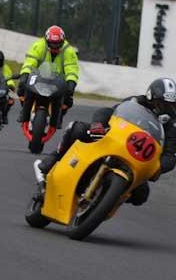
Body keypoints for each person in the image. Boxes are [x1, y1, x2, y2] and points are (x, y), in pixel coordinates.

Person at [34, 78, 176, 206]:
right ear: (151, 97)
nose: (166, 109)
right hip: (112, 139)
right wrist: (98, 125)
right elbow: (108, 111)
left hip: (137, 160)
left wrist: (158, 167)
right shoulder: (136, 102)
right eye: (162, 104)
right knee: (78, 129)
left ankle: (108, 199)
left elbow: (171, 155)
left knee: (141, 195)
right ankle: (53, 159)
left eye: (171, 106)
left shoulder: (171, 126)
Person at [17, 25, 79, 128]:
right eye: (52, 44)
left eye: (58, 44)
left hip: (58, 81)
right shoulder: (38, 45)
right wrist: (25, 74)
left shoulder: (69, 51)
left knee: (68, 99)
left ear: (63, 42)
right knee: (22, 87)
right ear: (46, 41)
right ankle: (24, 112)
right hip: (39, 77)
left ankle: (58, 117)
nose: (54, 47)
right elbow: (30, 62)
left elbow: (72, 69)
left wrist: (71, 83)